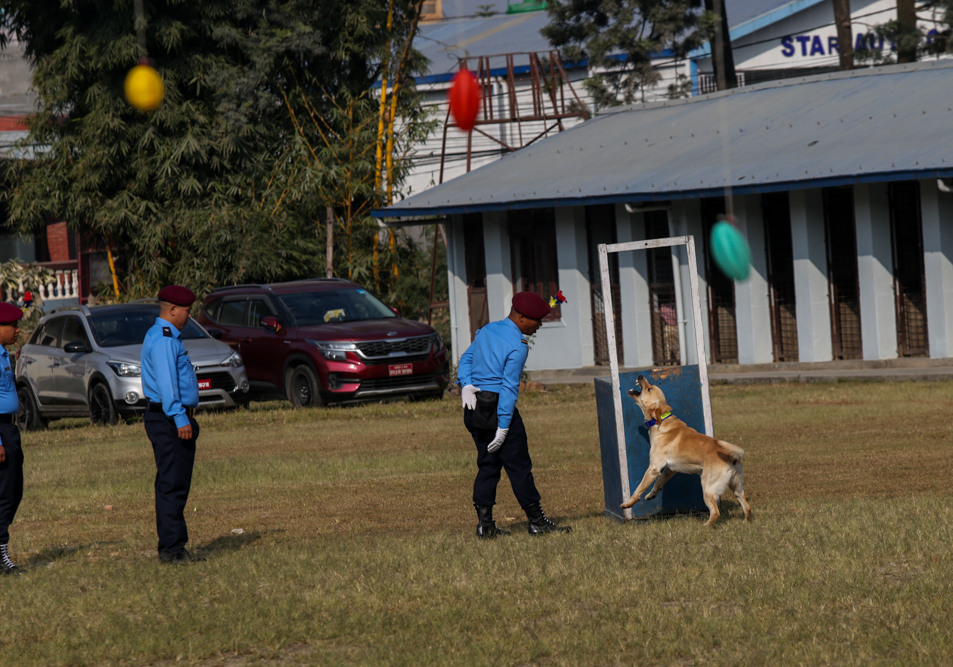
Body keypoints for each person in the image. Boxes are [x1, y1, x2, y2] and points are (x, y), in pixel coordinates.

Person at [457, 291, 571, 538]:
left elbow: (465, 358)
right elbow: (509, 387)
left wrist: (466, 384)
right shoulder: (517, 346)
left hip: (474, 406)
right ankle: (537, 523)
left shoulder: (486, 330)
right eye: (537, 320)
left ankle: (485, 526)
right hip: (497, 408)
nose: (539, 325)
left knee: (487, 465)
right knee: (519, 467)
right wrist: (504, 426)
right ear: (521, 318)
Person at [141, 286, 203, 564]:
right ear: (173, 310)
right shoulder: (165, 339)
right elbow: (167, 384)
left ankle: (173, 545)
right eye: (187, 311)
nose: (189, 316)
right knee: (173, 485)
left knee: (172, 483)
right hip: (169, 420)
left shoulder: (163, 336)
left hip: (167, 417)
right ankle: (172, 549)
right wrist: (180, 417)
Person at [0, 303, 24, 575]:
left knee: (13, 490)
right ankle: (1, 551)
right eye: (12, 325)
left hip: (9, 429)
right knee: (5, 493)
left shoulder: (4, 354)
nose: (18, 329)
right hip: (1, 431)